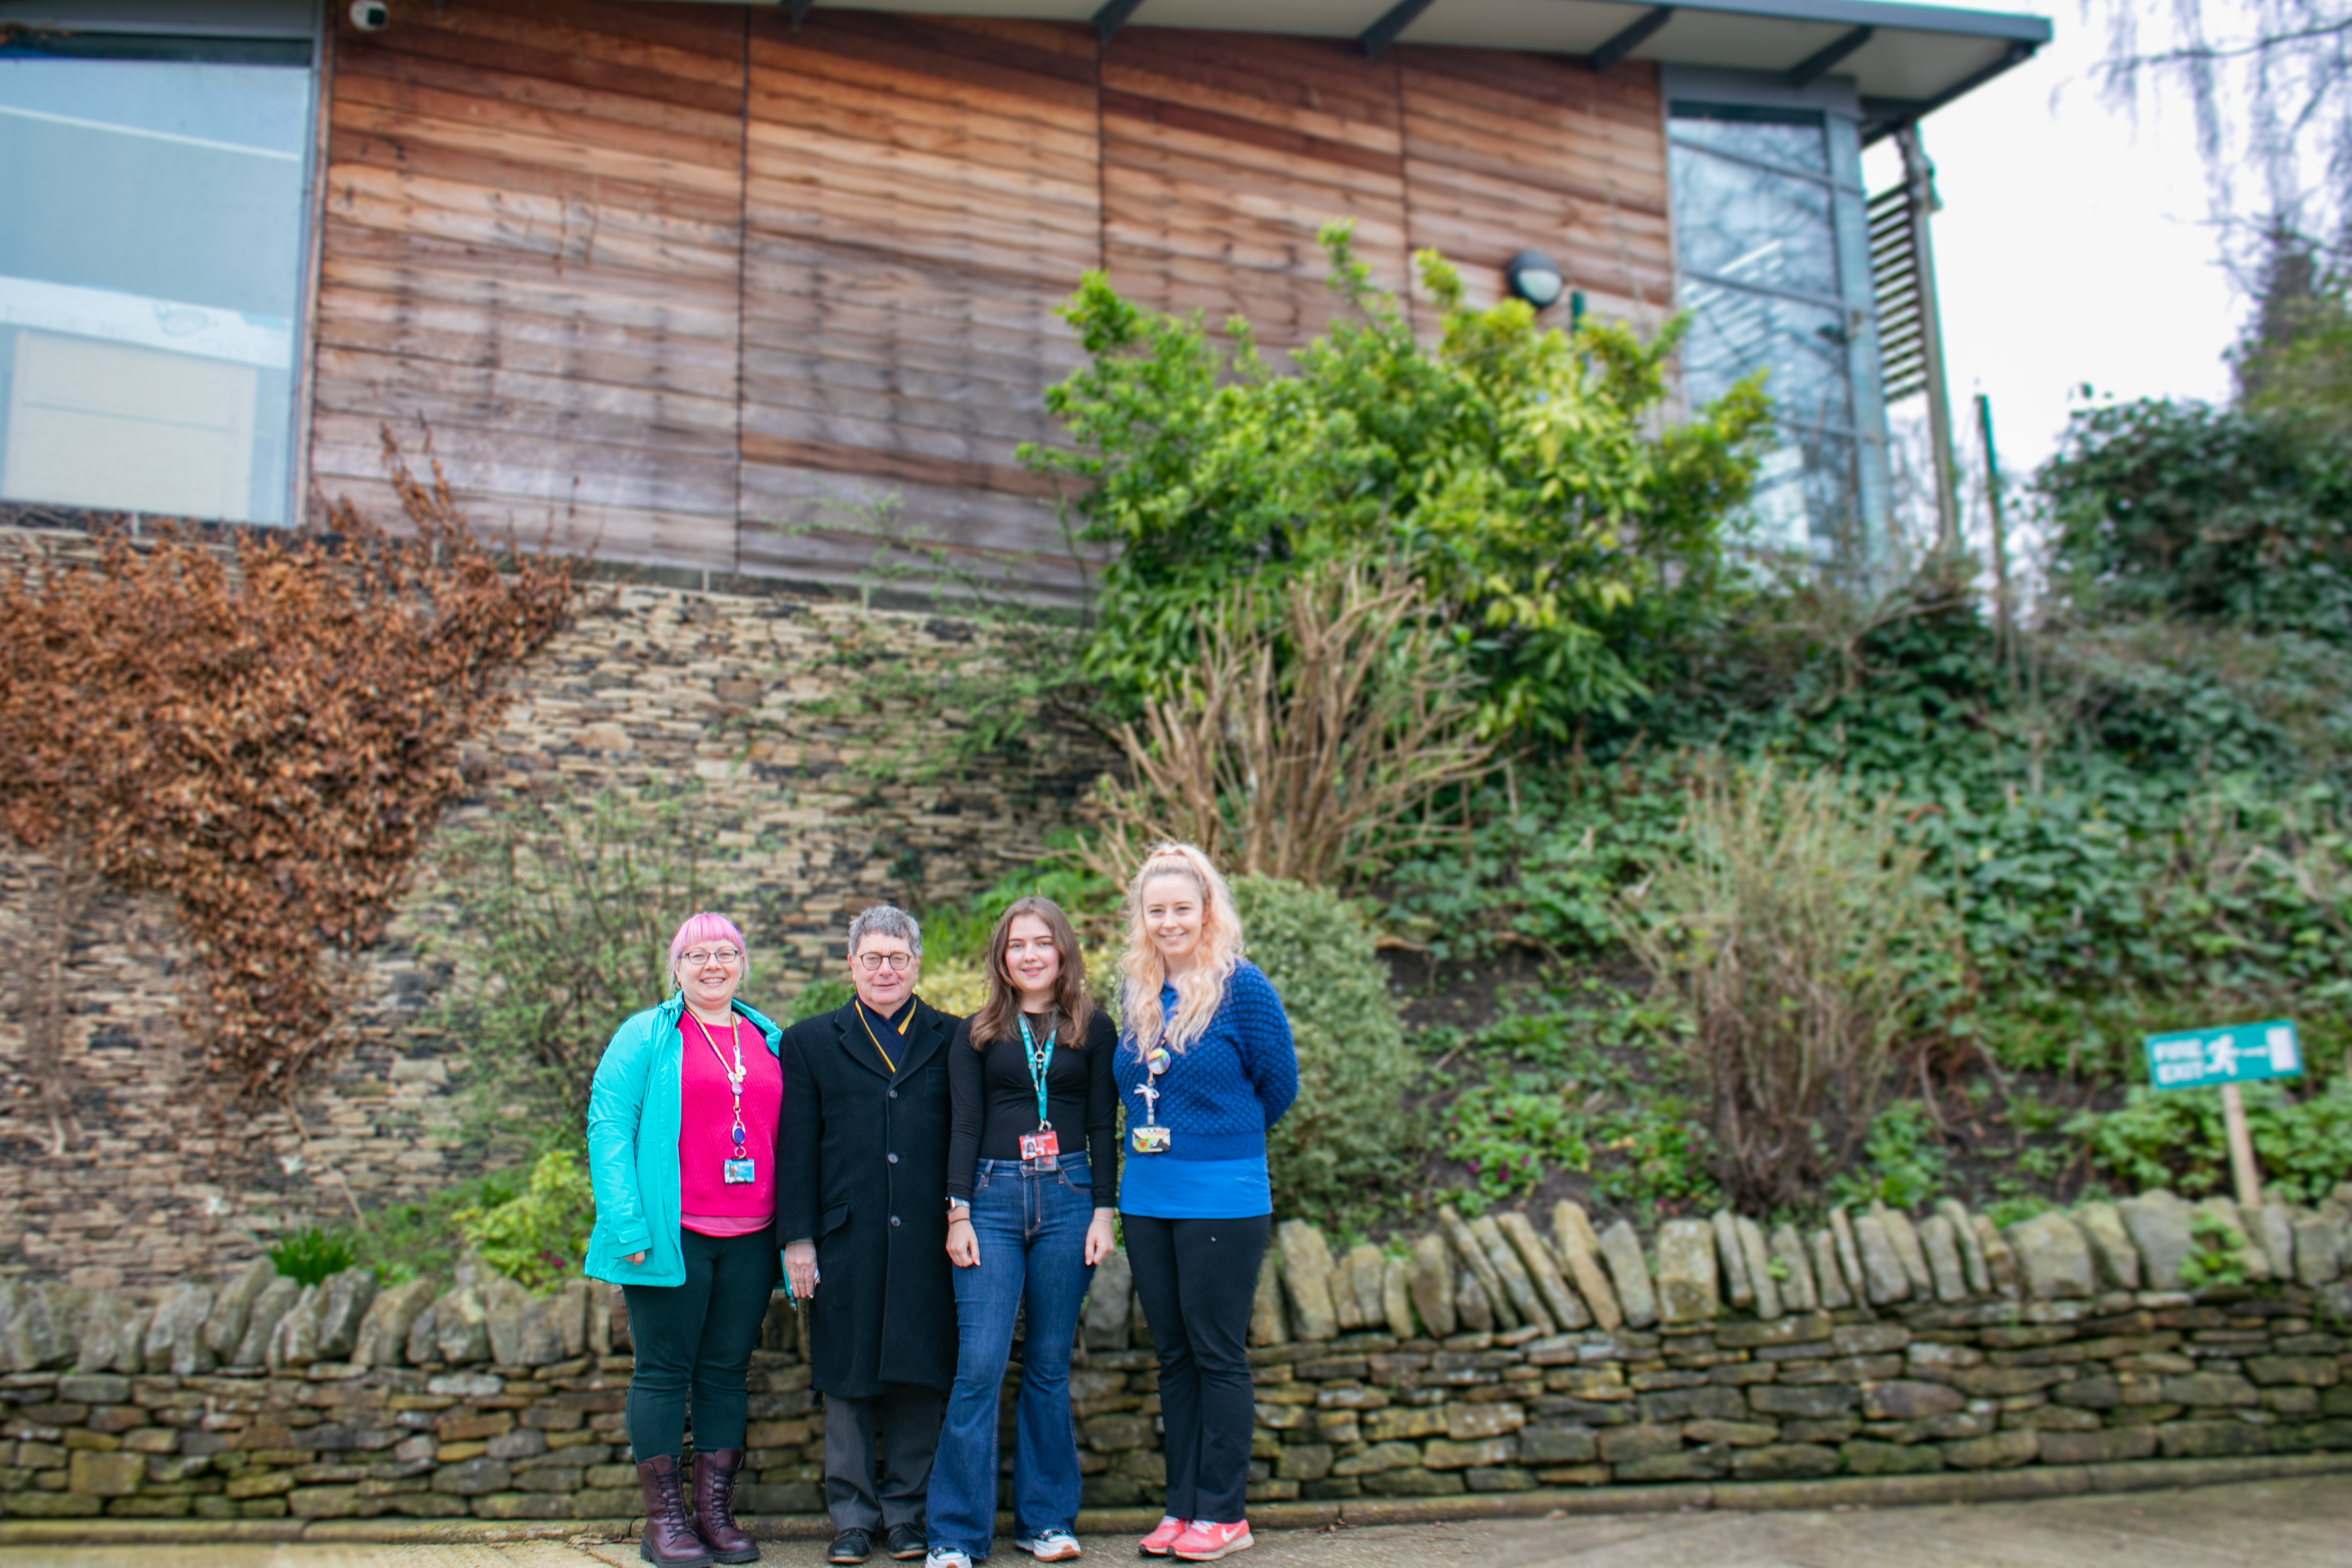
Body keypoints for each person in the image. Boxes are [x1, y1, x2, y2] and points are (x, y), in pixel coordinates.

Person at [1112, 845, 1298, 1564]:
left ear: (1206, 911)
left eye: (1181, 909)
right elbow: (1127, 1087)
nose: (1168, 922)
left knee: (1217, 1353)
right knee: (1174, 1356)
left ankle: (1224, 1513)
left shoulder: (1242, 988)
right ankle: (1182, 1508)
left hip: (1224, 1197)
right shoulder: (1134, 992)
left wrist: (1223, 1140)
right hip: (1148, 1196)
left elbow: (1278, 1084)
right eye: (1155, 911)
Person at [585, 913, 786, 1568]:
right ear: (676, 967)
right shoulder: (645, 1036)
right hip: (671, 1237)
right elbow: (608, 1127)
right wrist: (626, 1226)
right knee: (665, 1373)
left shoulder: (768, 1039)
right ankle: (664, 1521)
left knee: (727, 1374)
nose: (713, 965)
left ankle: (715, 1516)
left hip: (753, 1236)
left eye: (726, 953)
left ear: (742, 965)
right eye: (697, 954)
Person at [925, 898, 1120, 1568]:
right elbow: (963, 1127)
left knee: (1046, 1367)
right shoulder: (977, 1031)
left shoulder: (1095, 1029)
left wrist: (1104, 1211)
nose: (1030, 955)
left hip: (1069, 1200)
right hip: (992, 1200)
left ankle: (1047, 1522)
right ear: (1001, 957)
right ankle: (954, 1533)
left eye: (1043, 943)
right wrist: (958, 1215)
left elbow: (1101, 1127)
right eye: (1017, 945)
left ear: (1063, 951)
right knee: (978, 1367)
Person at [777, 906, 961, 1565]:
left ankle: (908, 1515)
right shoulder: (808, 1042)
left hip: (928, 1235)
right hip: (844, 1235)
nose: (886, 970)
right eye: (873, 958)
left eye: (898, 959)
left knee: (920, 1372)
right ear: (851, 964)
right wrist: (798, 1239)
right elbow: (795, 1149)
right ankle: (852, 1519)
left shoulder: (953, 1037)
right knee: (847, 1376)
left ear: (917, 964)